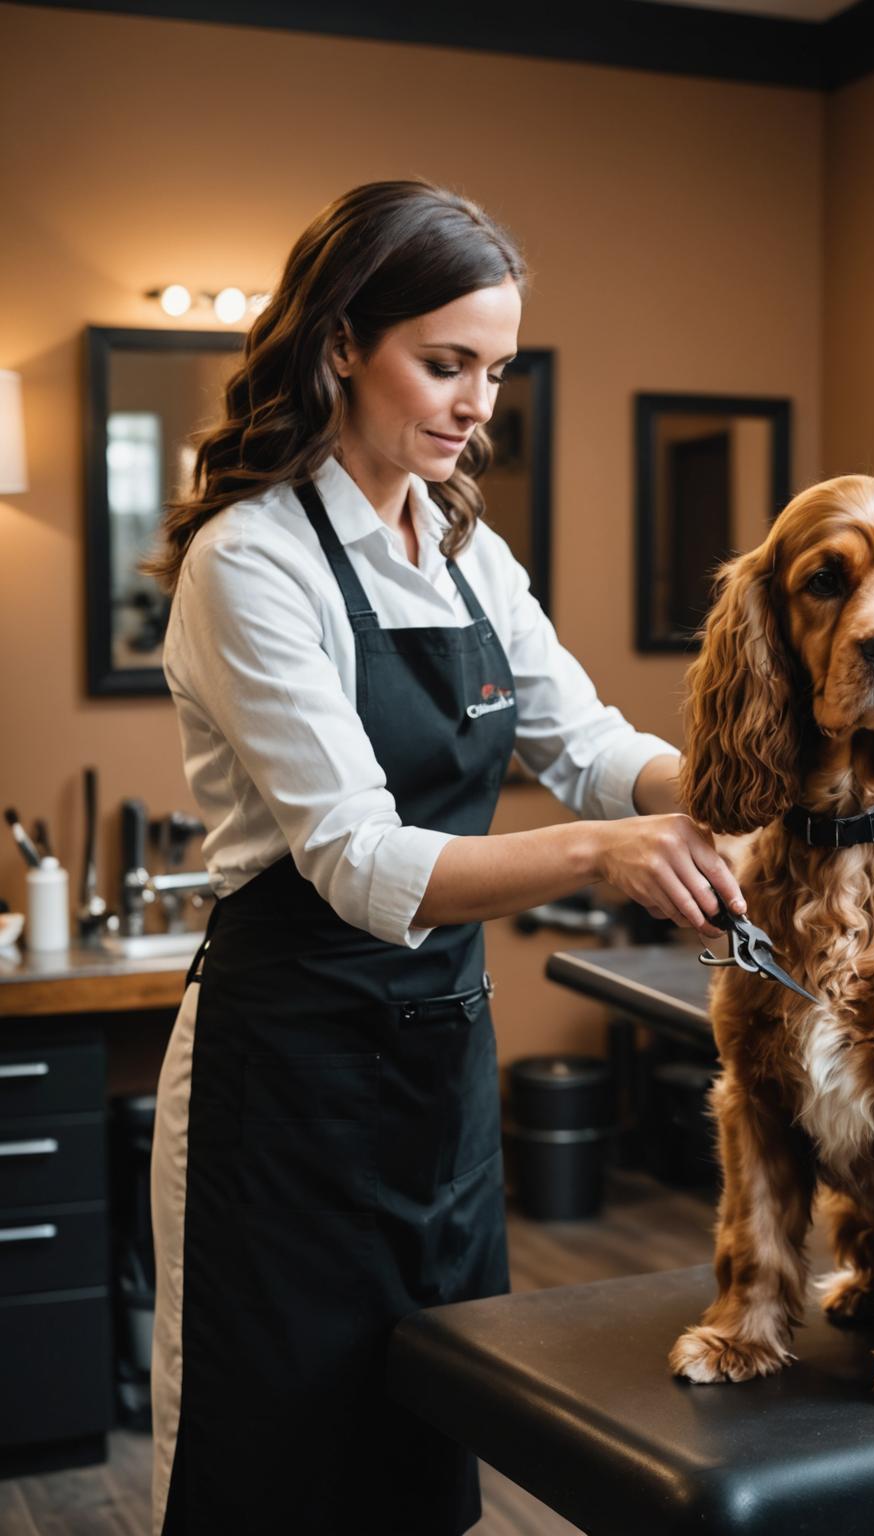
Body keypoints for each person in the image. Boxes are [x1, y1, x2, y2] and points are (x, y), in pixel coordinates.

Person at [144, 179, 745, 1536]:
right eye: (447, 362)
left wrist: (737, 787)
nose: (478, 403)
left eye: (498, 370)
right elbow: (359, 861)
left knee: (424, 1459)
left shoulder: (466, 547)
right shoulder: (254, 560)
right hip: (281, 1083)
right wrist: (603, 851)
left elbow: (587, 741)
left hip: (434, 1081)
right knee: (274, 1471)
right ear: (344, 340)